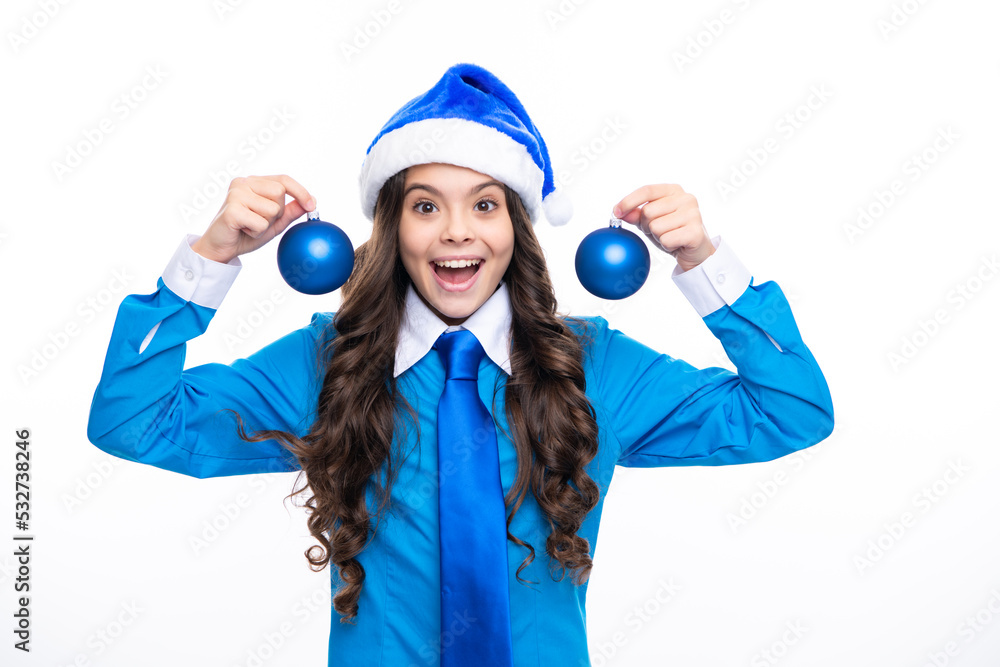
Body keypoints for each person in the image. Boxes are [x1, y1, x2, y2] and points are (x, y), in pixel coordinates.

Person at [87, 62, 834, 666]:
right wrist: (210, 258)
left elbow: (790, 410)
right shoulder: (329, 363)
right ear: (391, 224)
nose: (456, 234)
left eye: (484, 205)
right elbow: (132, 420)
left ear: (517, 224)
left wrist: (706, 264)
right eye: (424, 206)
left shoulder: (594, 365)